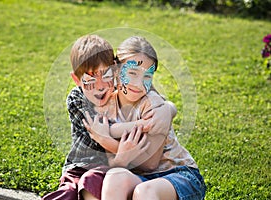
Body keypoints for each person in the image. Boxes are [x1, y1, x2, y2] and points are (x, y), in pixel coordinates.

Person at [42, 34, 173, 200]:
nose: (100, 86)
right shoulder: (77, 99)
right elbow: (106, 129)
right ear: (76, 79)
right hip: (80, 166)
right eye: (90, 78)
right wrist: (143, 124)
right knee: (67, 193)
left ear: (115, 72)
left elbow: (145, 86)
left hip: (108, 168)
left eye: (105, 76)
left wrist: (168, 109)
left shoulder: (119, 90)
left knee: (91, 182)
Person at [86, 36, 206, 200]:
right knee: (115, 176)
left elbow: (150, 164)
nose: (138, 84)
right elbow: (115, 162)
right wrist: (118, 152)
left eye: (147, 76)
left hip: (178, 176)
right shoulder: (107, 105)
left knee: (144, 192)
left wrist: (107, 140)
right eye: (132, 73)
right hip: (140, 179)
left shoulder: (154, 106)